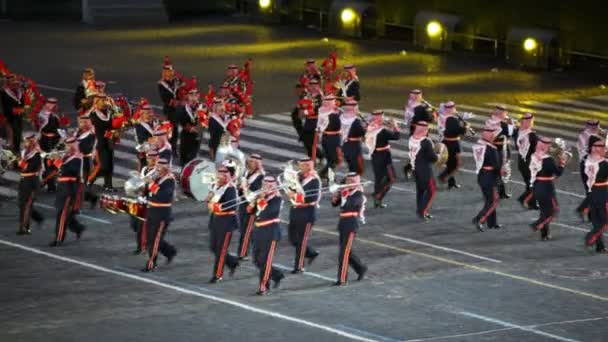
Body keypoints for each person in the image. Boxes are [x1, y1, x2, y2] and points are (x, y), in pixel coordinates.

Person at [248, 176, 285, 295]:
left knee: (265, 261)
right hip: (258, 230)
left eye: (268, 186)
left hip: (270, 231)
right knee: (257, 260)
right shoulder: (260, 197)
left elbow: (268, 213)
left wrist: (261, 199)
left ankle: (263, 286)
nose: (264, 188)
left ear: (273, 186)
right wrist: (254, 200)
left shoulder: (277, 199)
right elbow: (250, 210)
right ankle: (277, 275)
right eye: (263, 185)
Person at [330, 172, 367, 286]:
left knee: (343, 254)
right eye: (347, 181)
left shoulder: (358, 194)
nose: (349, 183)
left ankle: (342, 279)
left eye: (351, 181)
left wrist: (343, 193)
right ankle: (361, 268)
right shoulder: (345, 192)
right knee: (347, 252)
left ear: (356, 182)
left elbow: (349, 205)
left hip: (351, 224)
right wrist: (336, 195)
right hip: (343, 223)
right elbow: (335, 204)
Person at [142, 158, 177, 272]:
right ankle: (170, 251)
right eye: (156, 167)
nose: (156, 170)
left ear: (165, 169)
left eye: (159, 168)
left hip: (162, 213)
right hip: (151, 209)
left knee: (155, 240)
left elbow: (164, 196)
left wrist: (151, 184)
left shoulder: (169, 180)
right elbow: (149, 191)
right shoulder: (156, 177)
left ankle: (152, 263)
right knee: (150, 238)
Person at [286, 158, 320, 274]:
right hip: (295, 211)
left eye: (308, 165)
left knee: (301, 241)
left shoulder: (314, 180)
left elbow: (312, 198)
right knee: (293, 239)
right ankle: (311, 253)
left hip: (307, 212)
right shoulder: (298, 177)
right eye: (303, 165)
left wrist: (294, 196)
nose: (305, 167)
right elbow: (292, 188)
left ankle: (299, 266)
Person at [50, 137, 85, 246]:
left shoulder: (77, 158)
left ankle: (59, 239)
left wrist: (59, 162)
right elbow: (58, 170)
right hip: (61, 187)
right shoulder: (66, 157)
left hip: (69, 187)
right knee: (63, 213)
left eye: (69, 146)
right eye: (66, 146)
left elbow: (71, 172)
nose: (66, 148)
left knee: (62, 214)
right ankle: (78, 228)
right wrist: (53, 160)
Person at [207, 166, 240, 283]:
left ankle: (218, 274)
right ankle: (232, 262)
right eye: (220, 173)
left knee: (221, 249)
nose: (221, 176)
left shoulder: (230, 188)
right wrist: (209, 198)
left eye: (224, 174)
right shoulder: (216, 186)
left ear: (228, 176)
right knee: (213, 247)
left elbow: (231, 206)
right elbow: (209, 200)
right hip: (216, 220)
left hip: (226, 222)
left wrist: (214, 206)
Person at [528, 137, 565, 241]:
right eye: (549, 146)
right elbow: (558, 172)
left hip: (537, 185)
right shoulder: (548, 159)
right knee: (554, 210)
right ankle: (537, 224)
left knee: (544, 211)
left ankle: (544, 234)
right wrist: (562, 162)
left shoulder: (534, 156)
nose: (550, 148)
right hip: (547, 187)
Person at [365, 110, 400, 208]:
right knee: (391, 178)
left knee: (378, 178)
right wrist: (395, 126)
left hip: (375, 154)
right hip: (384, 155)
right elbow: (396, 136)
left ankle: (377, 200)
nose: (383, 118)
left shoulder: (370, 127)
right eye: (382, 117)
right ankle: (378, 196)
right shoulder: (382, 130)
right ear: (379, 118)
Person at [472, 127, 503, 232]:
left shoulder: (478, 146)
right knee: (493, 200)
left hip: (482, 175)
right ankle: (479, 219)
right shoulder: (491, 149)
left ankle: (492, 223)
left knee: (488, 199)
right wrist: (502, 174)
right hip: (490, 176)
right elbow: (497, 166)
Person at [131, 150, 159, 254]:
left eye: (152, 158)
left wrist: (147, 185)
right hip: (140, 200)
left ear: (156, 159)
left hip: (149, 201)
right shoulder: (144, 169)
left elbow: (155, 188)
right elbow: (140, 181)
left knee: (143, 227)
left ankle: (142, 247)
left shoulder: (157, 172)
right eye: (148, 158)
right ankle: (142, 245)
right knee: (135, 224)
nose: (149, 160)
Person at [408, 122, 438, 220]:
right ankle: (423, 211)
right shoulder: (426, 142)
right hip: (425, 170)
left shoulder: (411, 138)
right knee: (431, 190)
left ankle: (419, 209)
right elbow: (433, 158)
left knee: (420, 191)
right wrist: (438, 154)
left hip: (415, 168)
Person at [237, 154, 265, 260]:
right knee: (243, 229)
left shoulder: (261, 176)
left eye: (252, 162)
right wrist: (240, 188)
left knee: (246, 230)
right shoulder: (246, 173)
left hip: (252, 206)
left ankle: (242, 253)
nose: (249, 163)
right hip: (243, 204)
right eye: (249, 161)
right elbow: (241, 191)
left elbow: (258, 192)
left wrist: (246, 188)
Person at [485, 105, 516, 199]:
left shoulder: (491, 120)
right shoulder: (501, 124)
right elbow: (511, 133)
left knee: (498, 171)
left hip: (492, 148)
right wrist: (511, 123)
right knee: (498, 171)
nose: (506, 114)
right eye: (504, 113)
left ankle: (501, 192)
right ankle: (494, 192)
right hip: (498, 149)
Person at [583, 138, 608, 253]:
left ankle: (600, 246)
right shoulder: (604, 164)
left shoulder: (585, 161)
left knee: (596, 220)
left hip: (591, 192)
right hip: (603, 193)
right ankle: (590, 237)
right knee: (604, 221)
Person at [17, 132, 44, 235]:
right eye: (25, 141)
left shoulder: (37, 154)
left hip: (33, 181)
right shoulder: (24, 152)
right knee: (21, 204)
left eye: (27, 141)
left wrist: (21, 162)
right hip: (23, 180)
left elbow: (30, 167)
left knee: (27, 205)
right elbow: (21, 166)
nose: (25, 143)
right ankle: (36, 219)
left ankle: (23, 228)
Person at [576, 120, 602, 221]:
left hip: (584, 164)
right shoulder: (594, 138)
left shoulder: (582, 135)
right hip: (591, 165)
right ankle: (584, 209)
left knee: (590, 191)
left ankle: (590, 215)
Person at [437, 101, 467, 189]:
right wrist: (464, 126)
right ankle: (443, 176)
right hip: (453, 143)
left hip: (445, 141)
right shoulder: (451, 119)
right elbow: (460, 131)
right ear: (451, 108)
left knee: (450, 162)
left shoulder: (442, 116)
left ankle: (451, 182)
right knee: (457, 163)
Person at [514, 113, 539, 209]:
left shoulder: (517, 132)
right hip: (530, 162)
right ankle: (527, 201)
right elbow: (537, 149)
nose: (533, 123)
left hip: (521, 162)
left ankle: (527, 200)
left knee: (529, 183)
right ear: (528, 122)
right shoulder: (531, 135)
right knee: (535, 183)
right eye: (532, 121)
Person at [38, 98, 62, 192]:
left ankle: (48, 182)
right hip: (49, 141)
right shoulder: (50, 116)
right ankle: (50, 184)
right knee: (51, 164)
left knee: (50, 163)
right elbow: (55, 128)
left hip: (48, 140)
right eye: (52, 104)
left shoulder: (43, 113)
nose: (55, 106)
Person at [176, 88, 204, 166]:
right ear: (187, 96)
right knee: (184, 159)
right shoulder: (182, 108)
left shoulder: (202, 107)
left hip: (197, 135)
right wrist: (189, 128)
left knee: (193, 157)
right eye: (191, 94)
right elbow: (180, 119)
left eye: (196, 94)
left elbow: (205, 120)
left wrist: (200, 126)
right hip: (186, 136)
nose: (194, 97)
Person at [75, 115, 98, 209]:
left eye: (84, 122)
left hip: (86, 160)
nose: (82, 124)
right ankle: (91, 198)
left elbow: (90, 146)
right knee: (78, 182)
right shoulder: (77, 132)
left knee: (82, 182)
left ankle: (87, 200)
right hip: (78, 159)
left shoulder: (91, 133)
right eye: (80, 122)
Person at [317, 95, 342, 181]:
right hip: (328, 137)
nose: (330, 102)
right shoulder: (323, 111)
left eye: (332, 100)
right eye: (328, 100)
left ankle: (326, 174)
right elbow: (321, 124)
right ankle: (325, 175)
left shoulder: (337, 111)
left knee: (333, 159)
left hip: (335, 137)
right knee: (332, 159)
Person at [157, 62, 180, 153]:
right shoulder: (161, 84)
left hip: (178, 108)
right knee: (172, 129)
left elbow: (181, 90)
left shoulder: (176, 81)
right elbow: (164, 97)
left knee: (176, 128)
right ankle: (171, 147)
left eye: (170, 71)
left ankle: (172, 146)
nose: (168, 73)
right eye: (166, 72)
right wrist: (173, 102)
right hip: (169, 109)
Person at [340, 100, 366, 175]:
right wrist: (366, 127)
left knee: (350, 165)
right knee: (357, 167)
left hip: (345, 144)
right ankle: (354, 180)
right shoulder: (356, 121)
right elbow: (362, 133)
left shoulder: (341, 117)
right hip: (355, 146)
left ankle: (351, 177)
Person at [0, 74, 24, 153]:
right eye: (12, 80)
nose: (15, 82)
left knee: (17, 131)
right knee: (13, 131)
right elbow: (5, 104)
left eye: (14, 80)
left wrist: (21, 108)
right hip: (10, 115)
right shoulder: (5, 91)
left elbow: (21, 102)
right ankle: (13, 147)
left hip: (17, 114)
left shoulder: (18, 90)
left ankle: (16, 147)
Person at [133, 104, 156, 171]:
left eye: (151, 112)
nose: (151, 114)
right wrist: (153, 140)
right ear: (142, 114)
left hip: (155, 149)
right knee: (144, 167)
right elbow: (141, 139)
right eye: (148, 113)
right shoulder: (139, 125)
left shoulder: (154, 121)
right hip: (144, 149)